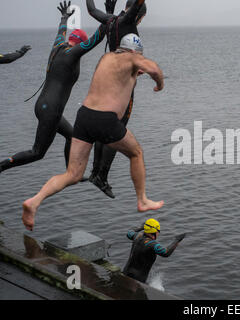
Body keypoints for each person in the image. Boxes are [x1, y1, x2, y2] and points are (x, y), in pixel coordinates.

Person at [21, 34, 164, 231]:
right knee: (136, 153)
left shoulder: (107, 58)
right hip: (105, 120)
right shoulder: (132, 58)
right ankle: (143, 200)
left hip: (84, 116)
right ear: (134, 52)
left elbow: (117, 79)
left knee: (72, 174)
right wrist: (159, 83)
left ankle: (34, 201)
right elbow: (154, 69)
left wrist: (134, 73)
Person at [0, 1, 106, 174]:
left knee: (71, 136)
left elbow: (61, 31)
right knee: (37, 152)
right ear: (79, 44)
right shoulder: (73, 54)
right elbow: (97, 38)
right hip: (51, 109)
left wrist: (64, 17)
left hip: (43, 105)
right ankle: (2, 166)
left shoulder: (58, 46)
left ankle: (70, 174)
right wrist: (108, 17)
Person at [86, 0, 147, 198]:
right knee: (116, 129)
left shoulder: (111, 20)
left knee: (103, 125)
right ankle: (101, 176)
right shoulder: (129, 21)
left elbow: (91, 10)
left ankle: (95, 172)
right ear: (138, 15)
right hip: (122, 87)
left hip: (107, 81)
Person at [123, 218, 186, 283]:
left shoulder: (136, 236)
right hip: (137, 280)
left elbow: (129, 232)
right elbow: (166, 252)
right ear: (155, 231)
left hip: (125, 273)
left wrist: (141, 227)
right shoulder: (152, 244)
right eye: (158, 231)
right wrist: (177, 240)